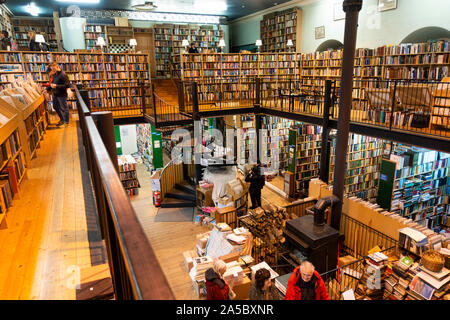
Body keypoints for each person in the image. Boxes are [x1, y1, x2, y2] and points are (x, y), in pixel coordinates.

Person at [46, 62, 71, 127]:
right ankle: (62, 120)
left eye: (54, 69)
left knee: (64, 108)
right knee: (55, 107)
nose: (53, 70)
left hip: (61, 94)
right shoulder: (54, 75)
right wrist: (46, 89)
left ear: (57, 66)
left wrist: (57, 86)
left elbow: (67, 85)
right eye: (52, 69)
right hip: (55, 94)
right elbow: (52, 84)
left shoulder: (63, 74)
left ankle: (66, 122)